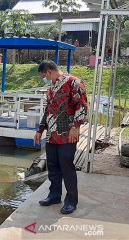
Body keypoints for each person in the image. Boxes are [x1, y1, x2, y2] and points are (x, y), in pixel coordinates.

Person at [34, 60, 88, 214]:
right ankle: (54, 195)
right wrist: (40, 130)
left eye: (44, 75)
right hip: (52, 135)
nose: (45, 78)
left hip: (67, 134)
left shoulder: (74, 82)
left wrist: (76, 127)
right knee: (53, 166)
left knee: (67, 166)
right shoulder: (50, 89)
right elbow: (48, 110)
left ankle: (71, 201)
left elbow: (82, 105)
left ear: (49, 71)